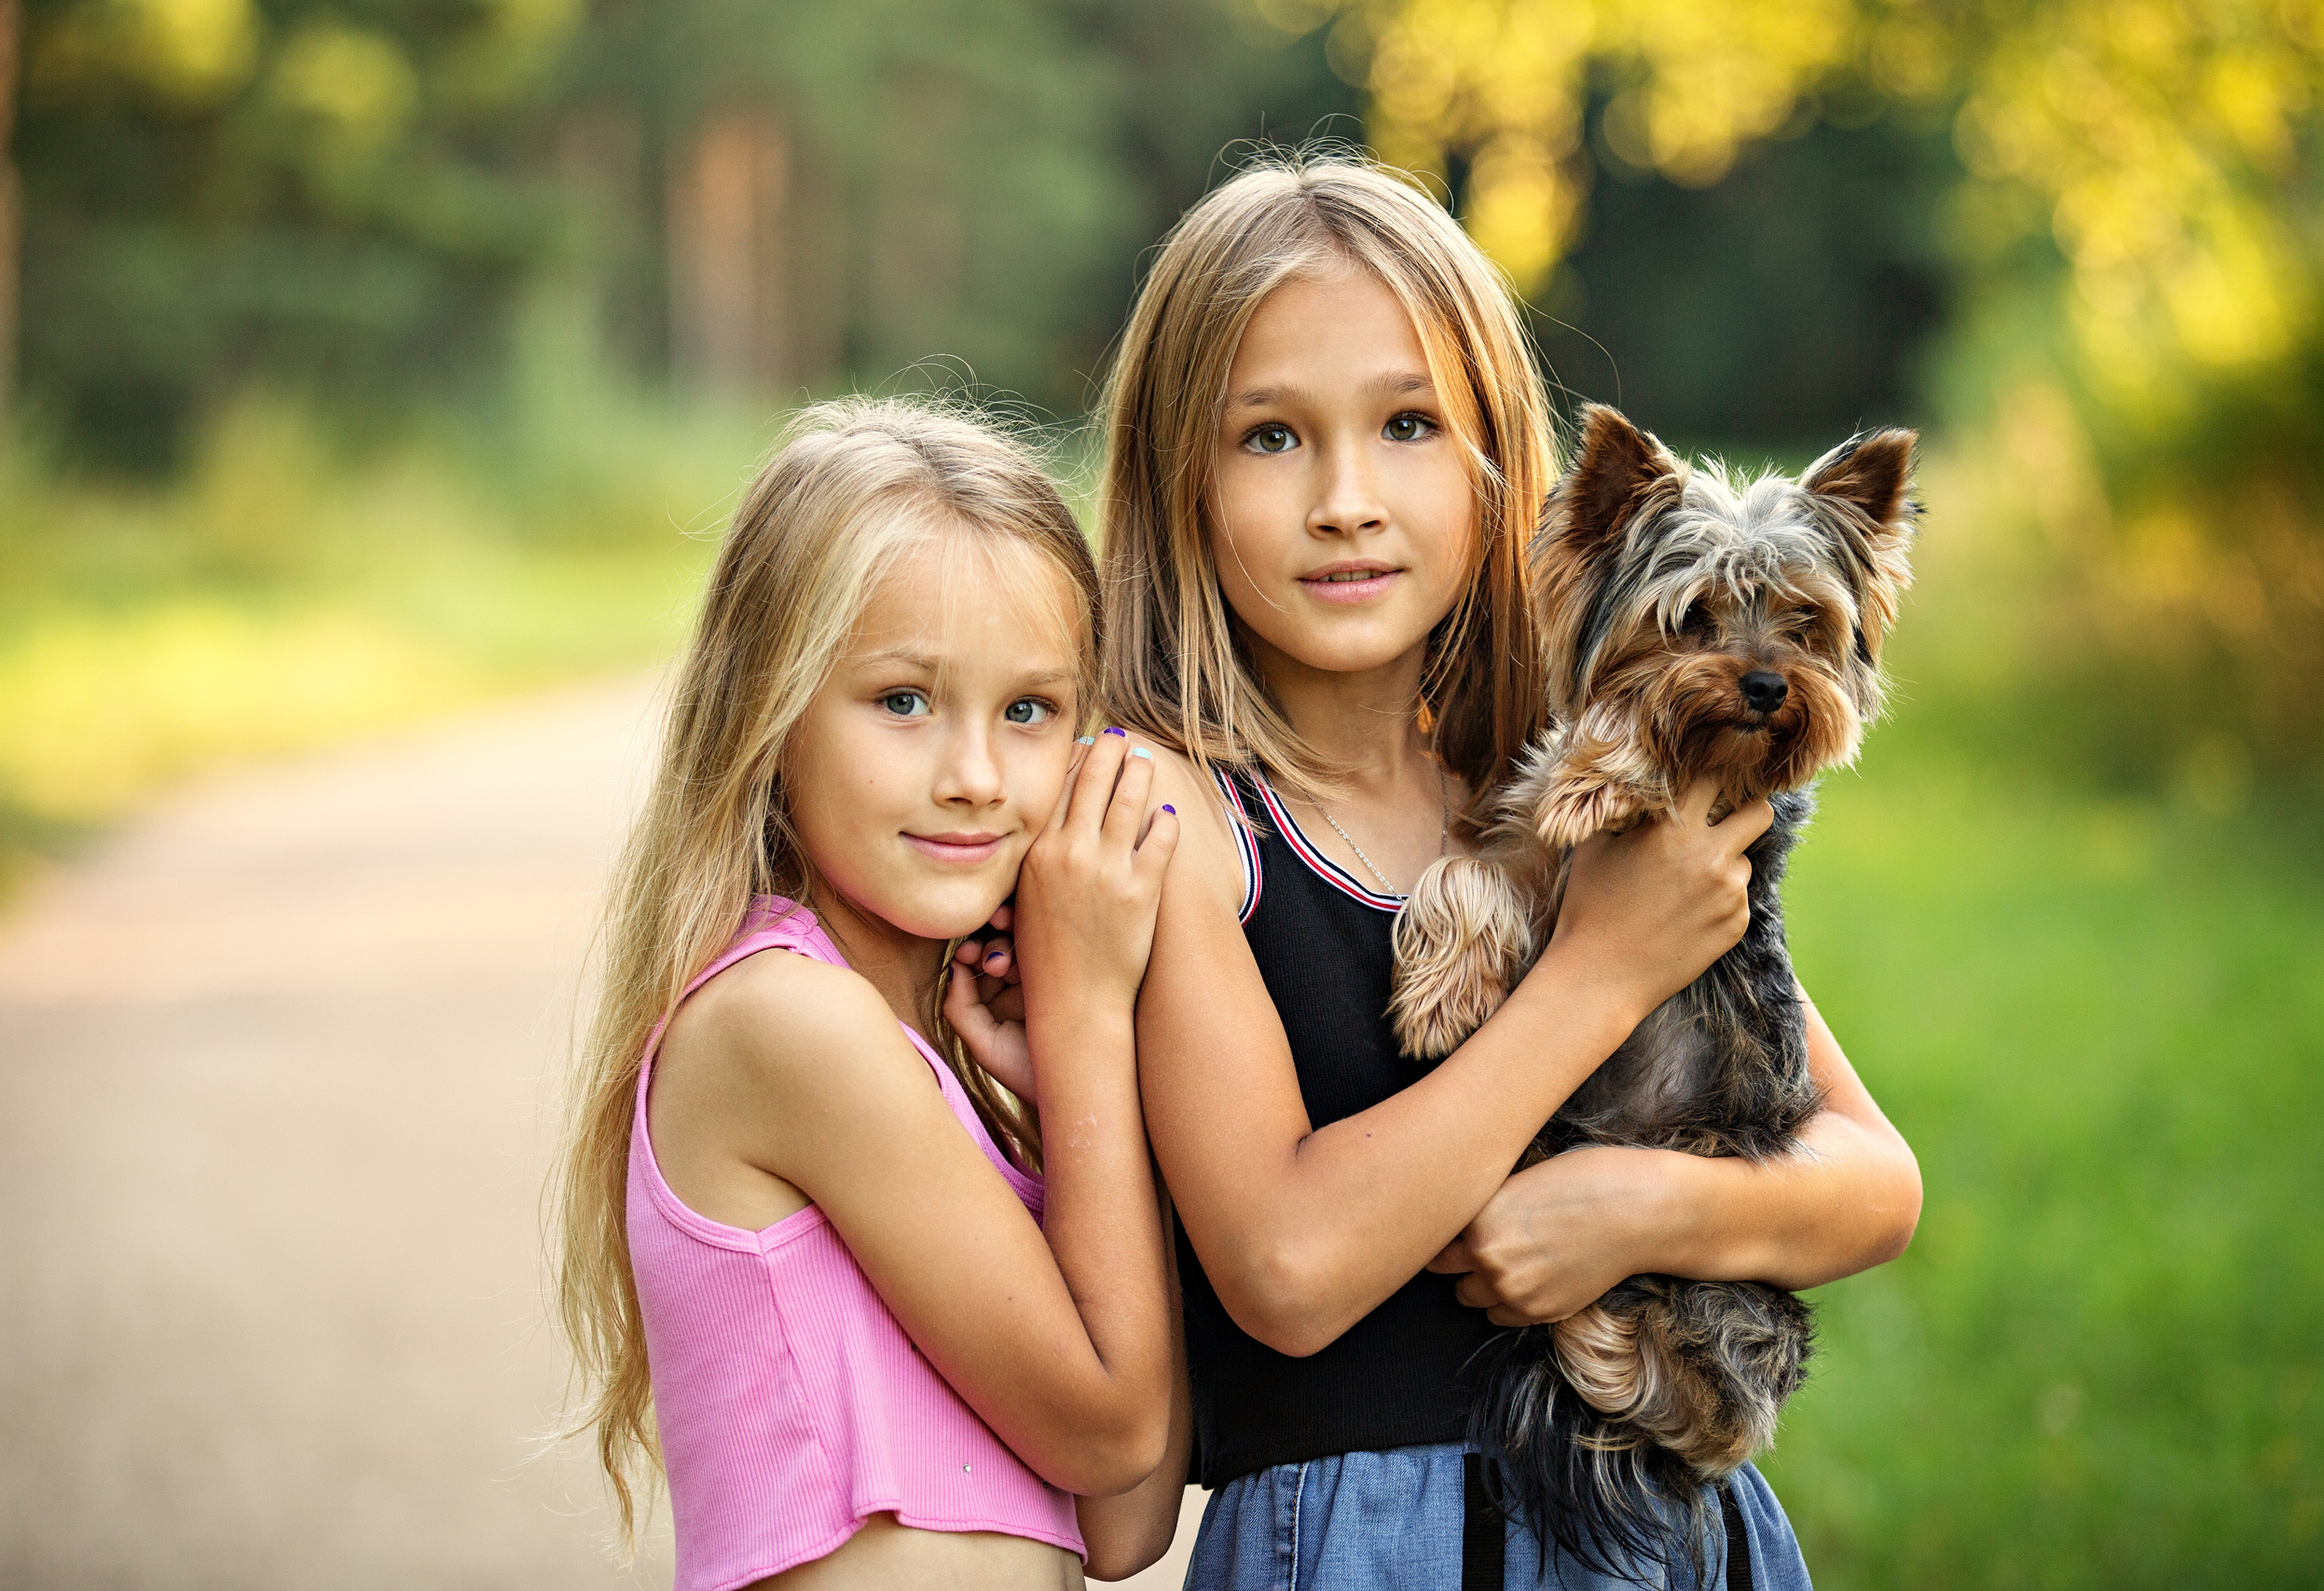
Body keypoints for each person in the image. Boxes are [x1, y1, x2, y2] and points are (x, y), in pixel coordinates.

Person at [1098, 155, 1923, 1585]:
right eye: (1271, 437)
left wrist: (1635, 1209)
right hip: (1362, 1547)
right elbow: (1287, 1271)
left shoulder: (1562, 794)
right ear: (1179, 473)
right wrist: (1597, 972)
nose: (1347, 499)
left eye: (1408, 423)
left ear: (1501, 474)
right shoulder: (1173, 818)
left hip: (1673, 1536)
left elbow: (1873, 1182)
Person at [552, 398, 1189, 1589]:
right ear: (772, 709)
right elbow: (1113, 1430)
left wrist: (1070, 1107)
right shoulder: (785, 1023)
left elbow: (1125, 1517)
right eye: (903, 701)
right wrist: (1092, 1016)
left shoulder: (919, 1062)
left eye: (1030, 711)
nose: (974, 778)